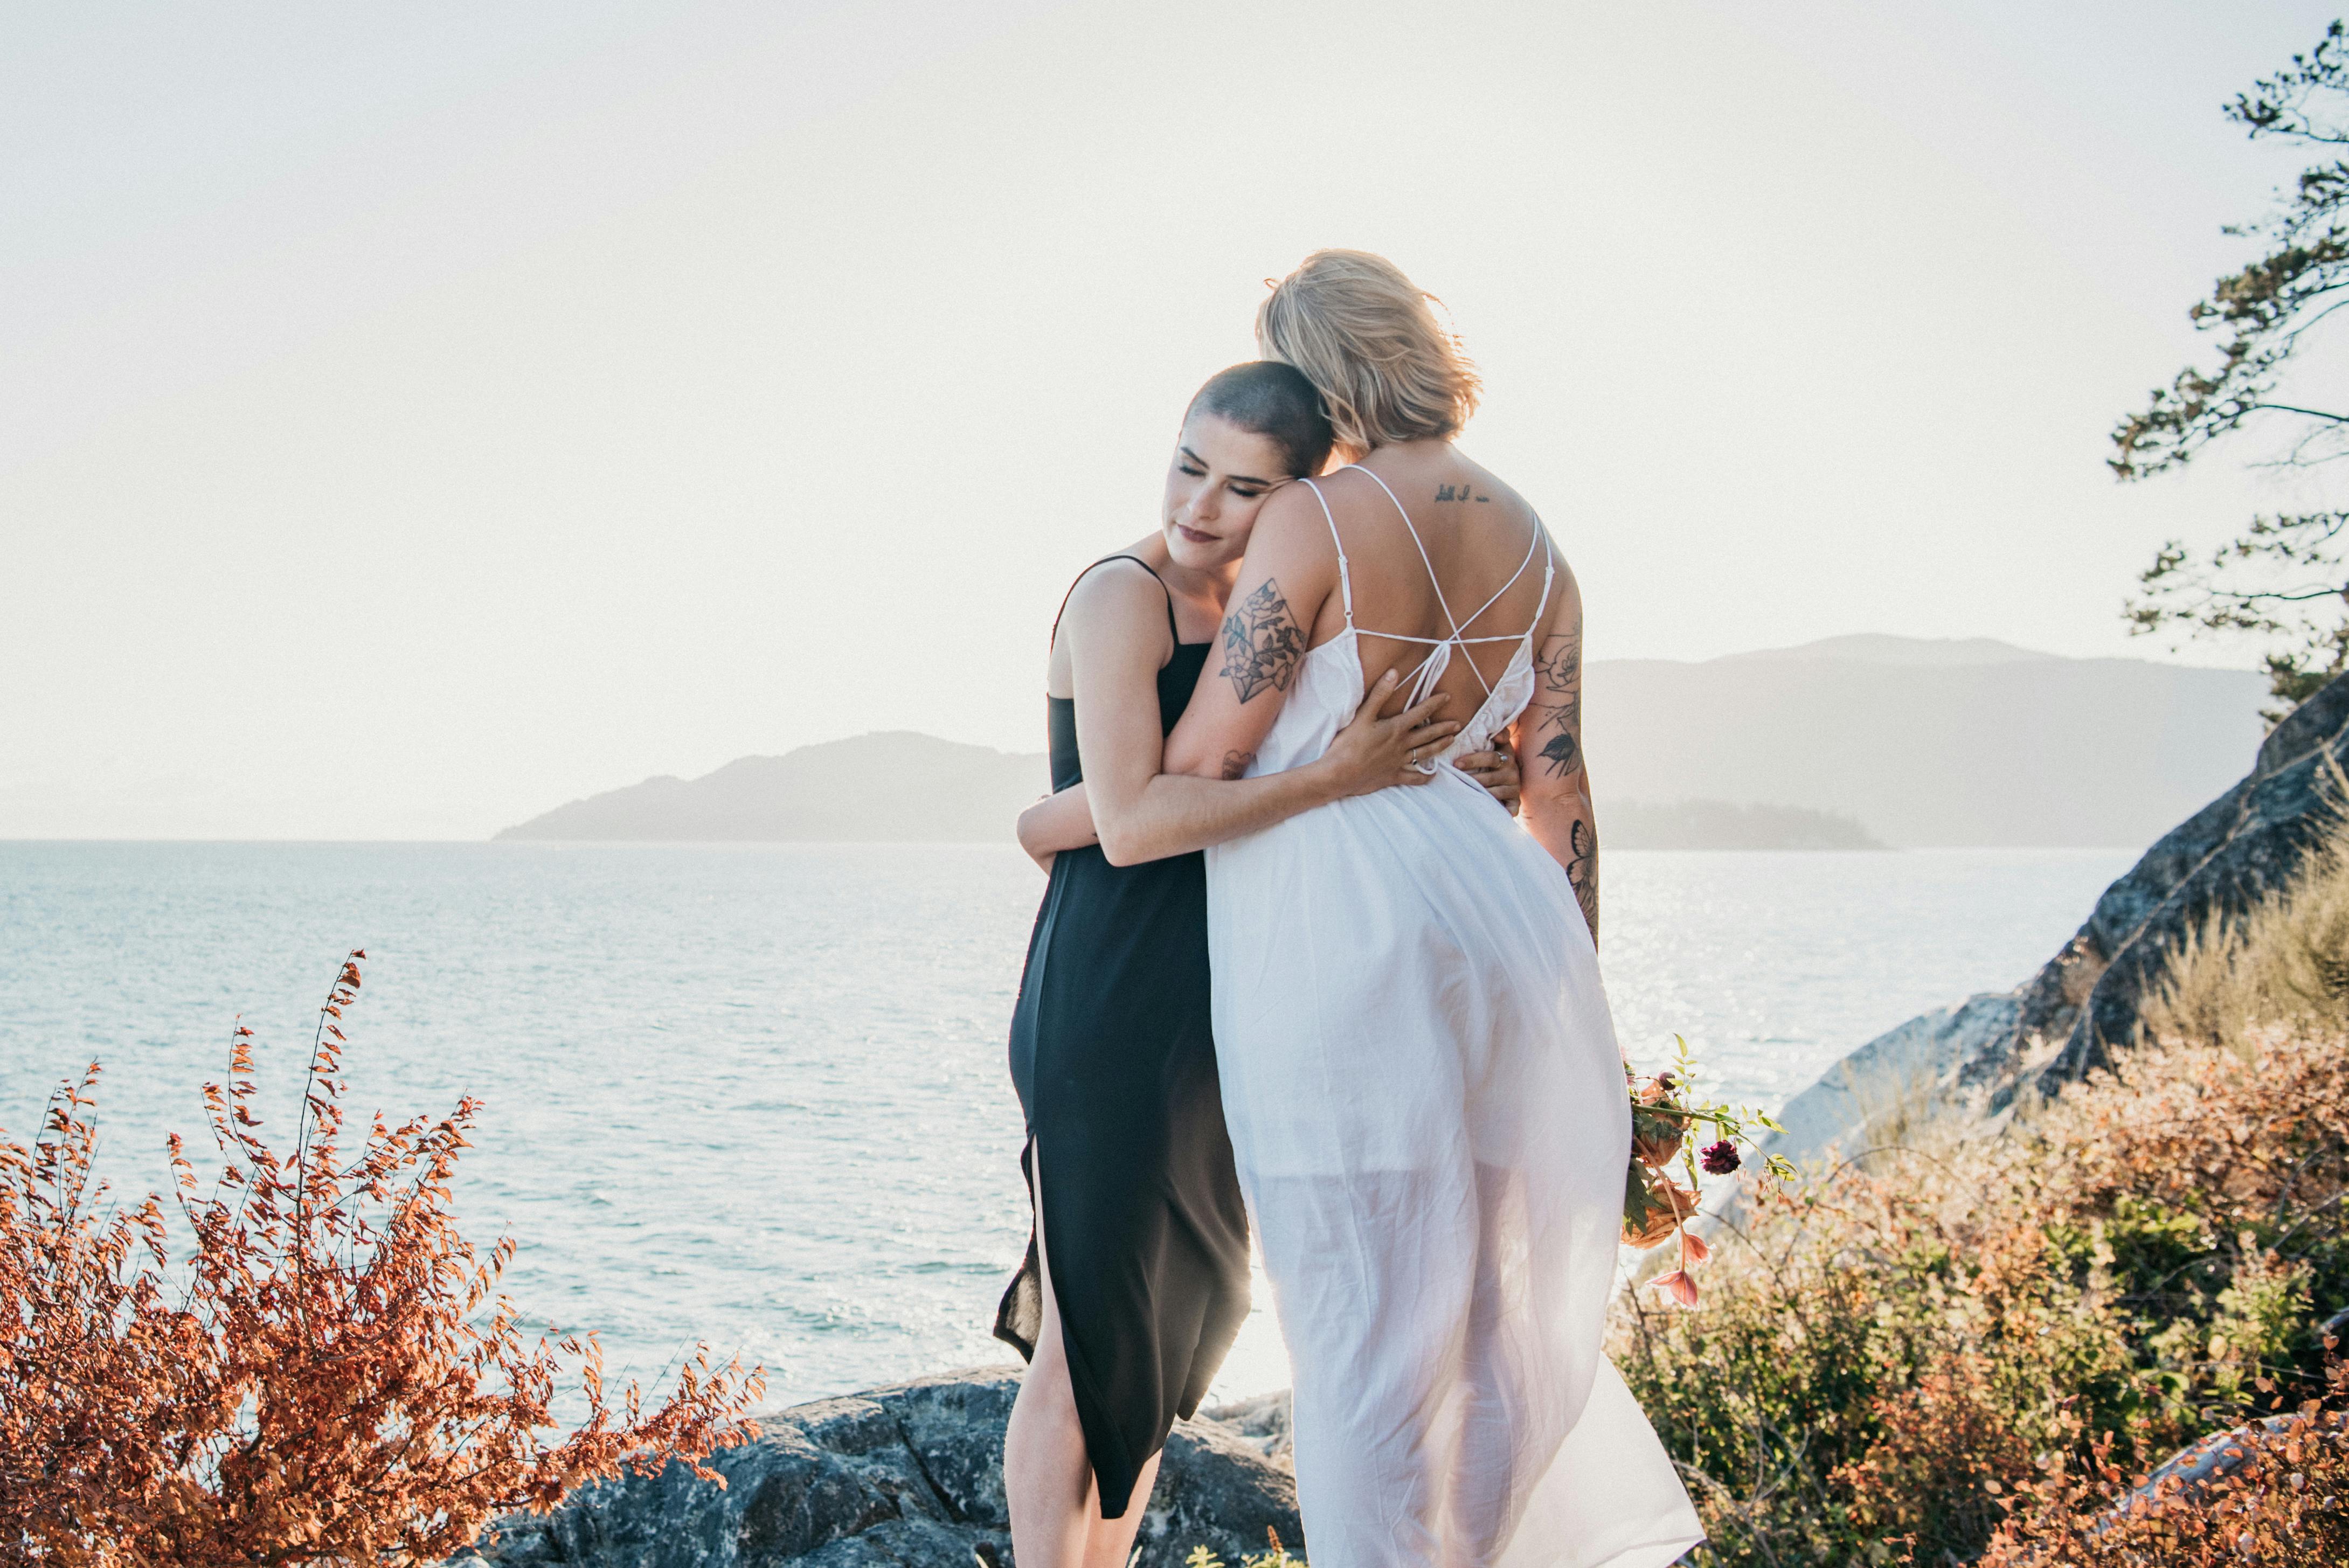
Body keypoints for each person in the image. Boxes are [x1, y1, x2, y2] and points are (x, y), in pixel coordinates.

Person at [1153, 252, 1704, 1566]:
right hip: (1509, 939)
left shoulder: (1316, 518)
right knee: (1488, 1326)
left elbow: (1202, 763)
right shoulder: (1539, 547)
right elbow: (1557, 794)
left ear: (1322, 371)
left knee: (1353, 1326)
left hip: (1338, 941)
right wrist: (1580, 999)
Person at [997, 360, 1525, 1568]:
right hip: (1111, 998)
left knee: (1177, 1332)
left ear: (1298, 499)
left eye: (1243, 488)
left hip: (1231, 1000)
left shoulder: (1281, 612)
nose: (1199, 507)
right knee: (1087, 1338)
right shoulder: (1120, 596)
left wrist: (1441, 777)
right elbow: (1131, 824)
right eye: (1188, 465)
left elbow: (1311, 776)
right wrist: (1337, 775)